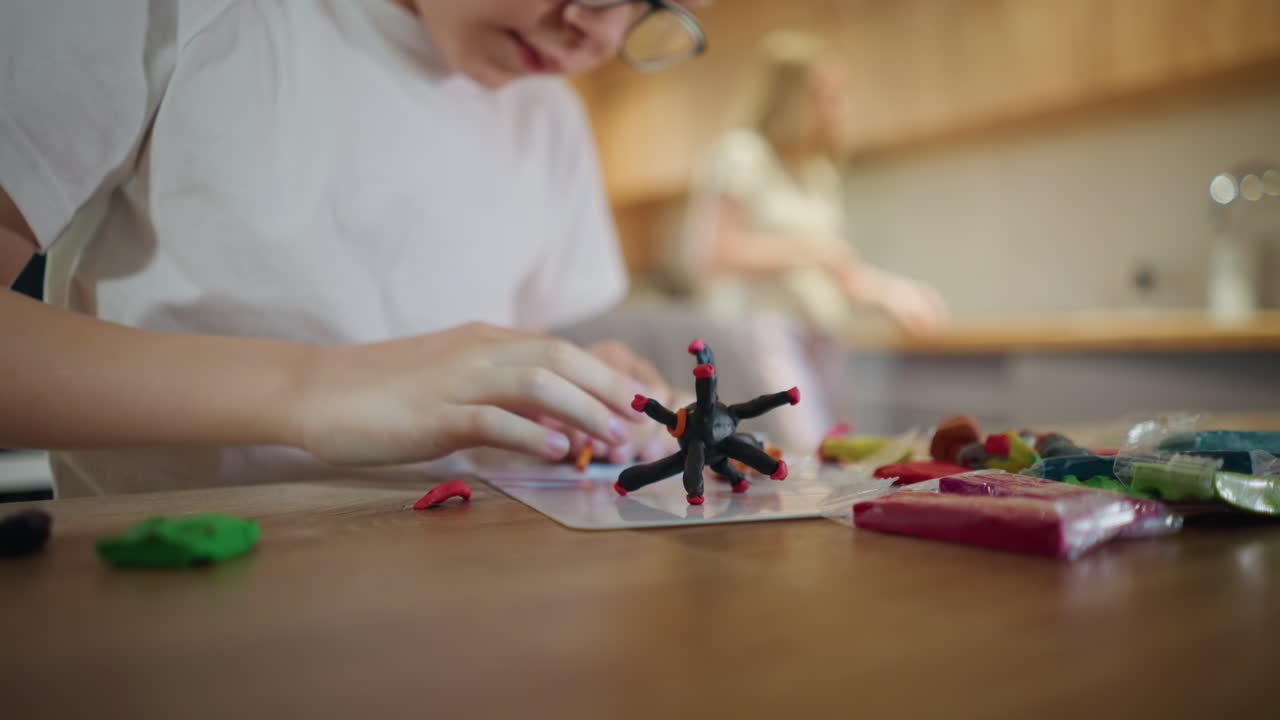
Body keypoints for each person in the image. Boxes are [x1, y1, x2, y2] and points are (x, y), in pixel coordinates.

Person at [0, 0, 707, 497]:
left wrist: (561, 390)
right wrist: (316, 389)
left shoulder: (548, 116)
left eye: (650, 5)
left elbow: (506, 346)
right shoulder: (181, 16)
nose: (597, 33)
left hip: (478, 583)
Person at [675, 32, 949, 445]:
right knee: (800, 446)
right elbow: (712, 252)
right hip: (762, 331)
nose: (836, 106)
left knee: (833, 448)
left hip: (820, 331)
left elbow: (835, 264)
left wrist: (894, 293)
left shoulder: (816, 172)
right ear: (790, 96)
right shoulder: (741, 155)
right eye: (825, 93)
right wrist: (814, 251)